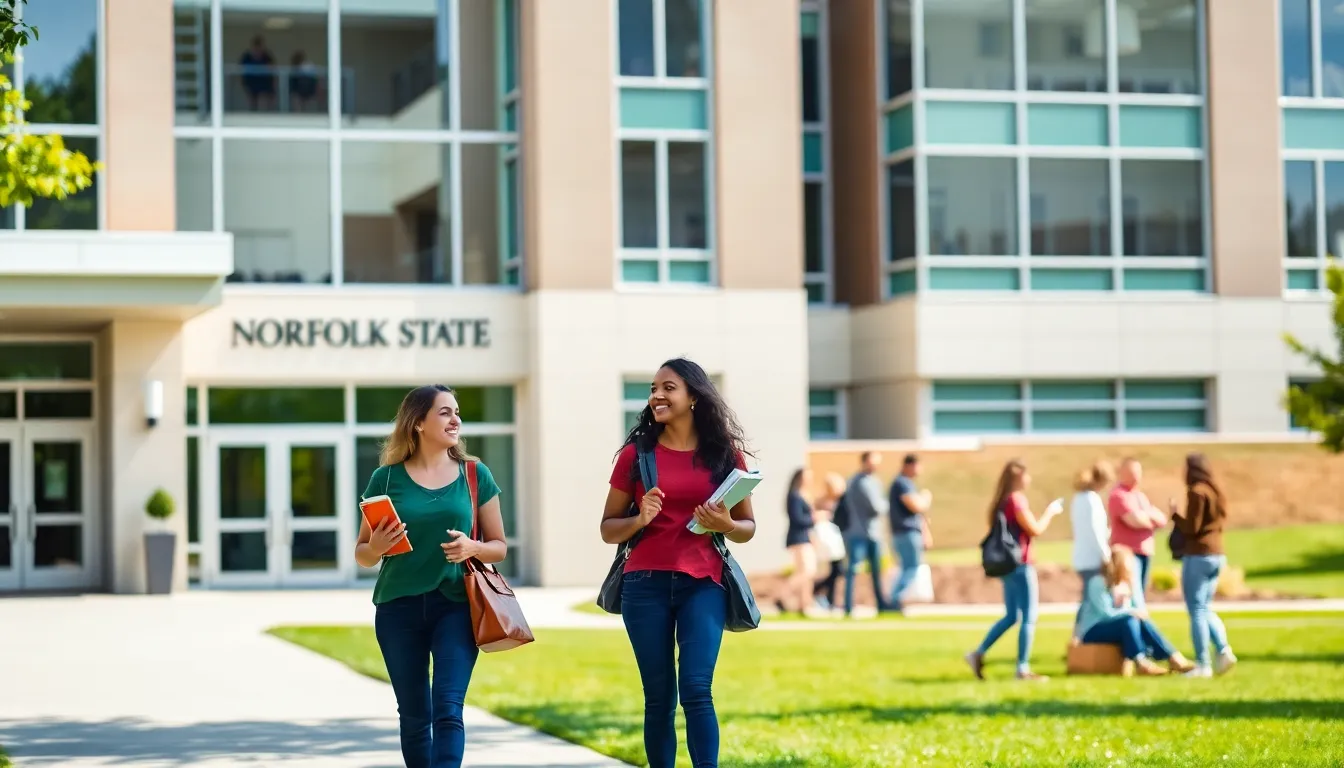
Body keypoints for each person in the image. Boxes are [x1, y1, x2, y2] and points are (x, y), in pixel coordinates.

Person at [600, 357, 757, 768]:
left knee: (696, 689)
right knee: (659, 697)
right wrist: (639, 518)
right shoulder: (636, 456)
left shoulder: (726, 458)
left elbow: (747, 527)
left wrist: (725, 522)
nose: (657, 396)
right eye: (653, 388)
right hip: (644, 584)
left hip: (704, 582)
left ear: (693, 397)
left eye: (668, 387)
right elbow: (607, 529)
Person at [355, 385, 508, 768]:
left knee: (448, 707)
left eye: (456, 412)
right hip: (397, 608)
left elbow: (500, 546)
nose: (455, 419)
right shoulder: (385, 479)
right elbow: (362, 554)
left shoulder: (475, 474)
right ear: (419, 423)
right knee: (414, 714)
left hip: (456, 606)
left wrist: (473, 548)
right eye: (444, 412)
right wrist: (378, 545)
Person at [965, 459, 1062, 682]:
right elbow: (1034, 529)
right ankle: (1022, 668)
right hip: (1021, 564)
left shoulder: (1001, 501)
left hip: (1007, 566)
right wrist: (1051, 512)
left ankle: (978, 653)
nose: (1029, 479)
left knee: (1011, 616)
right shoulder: (1016, 500)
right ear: (1019, 477)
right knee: (1029, 617)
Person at [1074, 545, 1195, 676]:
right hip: (1093, 630)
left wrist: (1133, 610)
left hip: (1118, 626)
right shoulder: (1098, 583)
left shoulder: (1123, 585)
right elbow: (1106, 613)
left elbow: (1131, 611)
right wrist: (1131, 612)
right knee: (1131, 619)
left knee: (1138, 620)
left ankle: (1168, 657)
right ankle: (1148, 661)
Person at [1169, 452, 1237, 678]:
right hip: (1217, 555)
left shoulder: (1197, 492)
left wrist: (1175, 516)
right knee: (1205, 607)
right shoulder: (1216, 492)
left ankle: (1203, 663)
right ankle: (1223, 650)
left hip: (1198, 555)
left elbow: (1192, 528)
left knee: (1196, 609)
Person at [1108, 457, 1167, 610]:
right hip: (1128, 554)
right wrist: (1149, 519)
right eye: (1134, 472)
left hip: (1145, 552)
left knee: (1139, 593)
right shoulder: (1118, 495)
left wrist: (1146, 516)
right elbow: (1134, 521)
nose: (1137, 476)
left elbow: (1162, 519)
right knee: (1133, 596)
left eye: (1139, 472)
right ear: (1123, 473)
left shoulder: (1140, 496)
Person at [836, 451, 890, 617]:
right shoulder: (860, 482)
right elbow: (876, 507)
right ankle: (849, 606)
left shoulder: (871, 481)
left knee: (875, 570)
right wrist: (888, 505)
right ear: (865, 462)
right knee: (853, 569)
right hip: (859, 533)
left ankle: (880, 604)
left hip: (872, 533)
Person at [887, 453, 932, 613]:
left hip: (906, 532)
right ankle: (894, 599)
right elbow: (917, 506)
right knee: (911, 566)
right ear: (909, 465)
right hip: (906, 532)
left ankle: (894, 600)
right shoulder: (902, 483)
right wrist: (926, 499)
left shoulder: (906, 483)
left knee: (908, 567)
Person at [1071, 461, 1115, 604]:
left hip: (1081, 557)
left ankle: (1081, 626)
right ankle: (1082, 626)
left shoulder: (1078, 498)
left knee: (1088, 599)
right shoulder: (1092, 499)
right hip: (1093, 559)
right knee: (1092, 601)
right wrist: (1106, 555)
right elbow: (1096, 531)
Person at [783, 467, 819, 616]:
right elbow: (797, 519)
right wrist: (815, 518)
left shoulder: (804, 495)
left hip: (806, 538)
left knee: (808, 573)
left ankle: (805, 605)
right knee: (807, 572)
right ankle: (783, 594)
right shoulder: (795, 496)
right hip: (798, 539)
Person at [810, 471, 848, 613]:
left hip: (836, 539)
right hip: (827, 539)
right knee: (836, 570)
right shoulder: (822, 501)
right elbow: (813, 517)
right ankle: (817, 590)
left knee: (836, 571)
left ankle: (830, 600)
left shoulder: (841, 500)